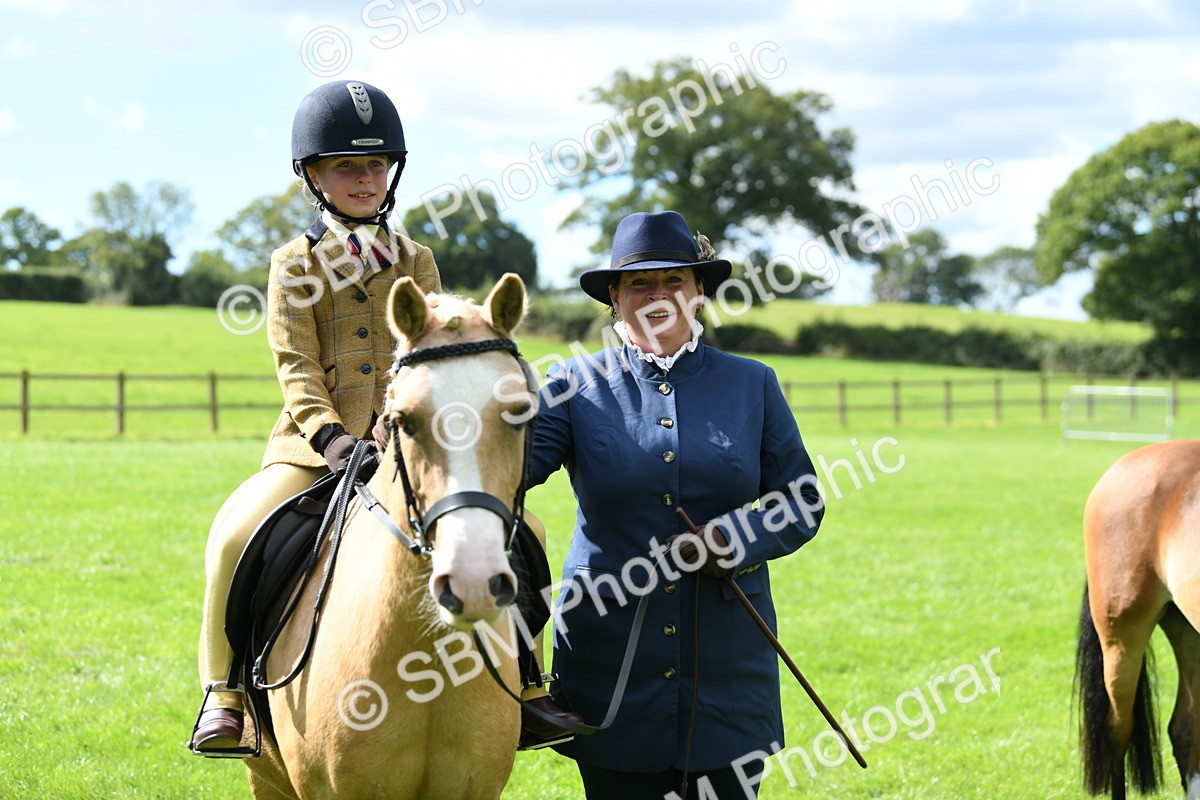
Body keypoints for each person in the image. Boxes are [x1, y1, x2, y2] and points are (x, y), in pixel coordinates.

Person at [527, 210, 825, 798]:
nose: (658, 295)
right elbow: (510, 473)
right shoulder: (570, 385)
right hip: (609, 668)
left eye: (675, 281)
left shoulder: (753, 382)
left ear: (700, 292)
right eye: (640, 283)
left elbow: (802, 499)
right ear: (614, 297)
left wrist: (733, 540)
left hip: (729, 671)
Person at [190, 80, 442, 753]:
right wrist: (330, 437)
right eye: (347, 167)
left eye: (376, 165)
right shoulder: (292, 263)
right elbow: (295, 363)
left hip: (402, 446)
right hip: (310, 450)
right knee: (233, 536)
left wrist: (393, 426)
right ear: (313, 175)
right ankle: (225, 695)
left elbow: (428, 354)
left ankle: (529, 686)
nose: (365, 179)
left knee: (517, 527)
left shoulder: (416, 259)